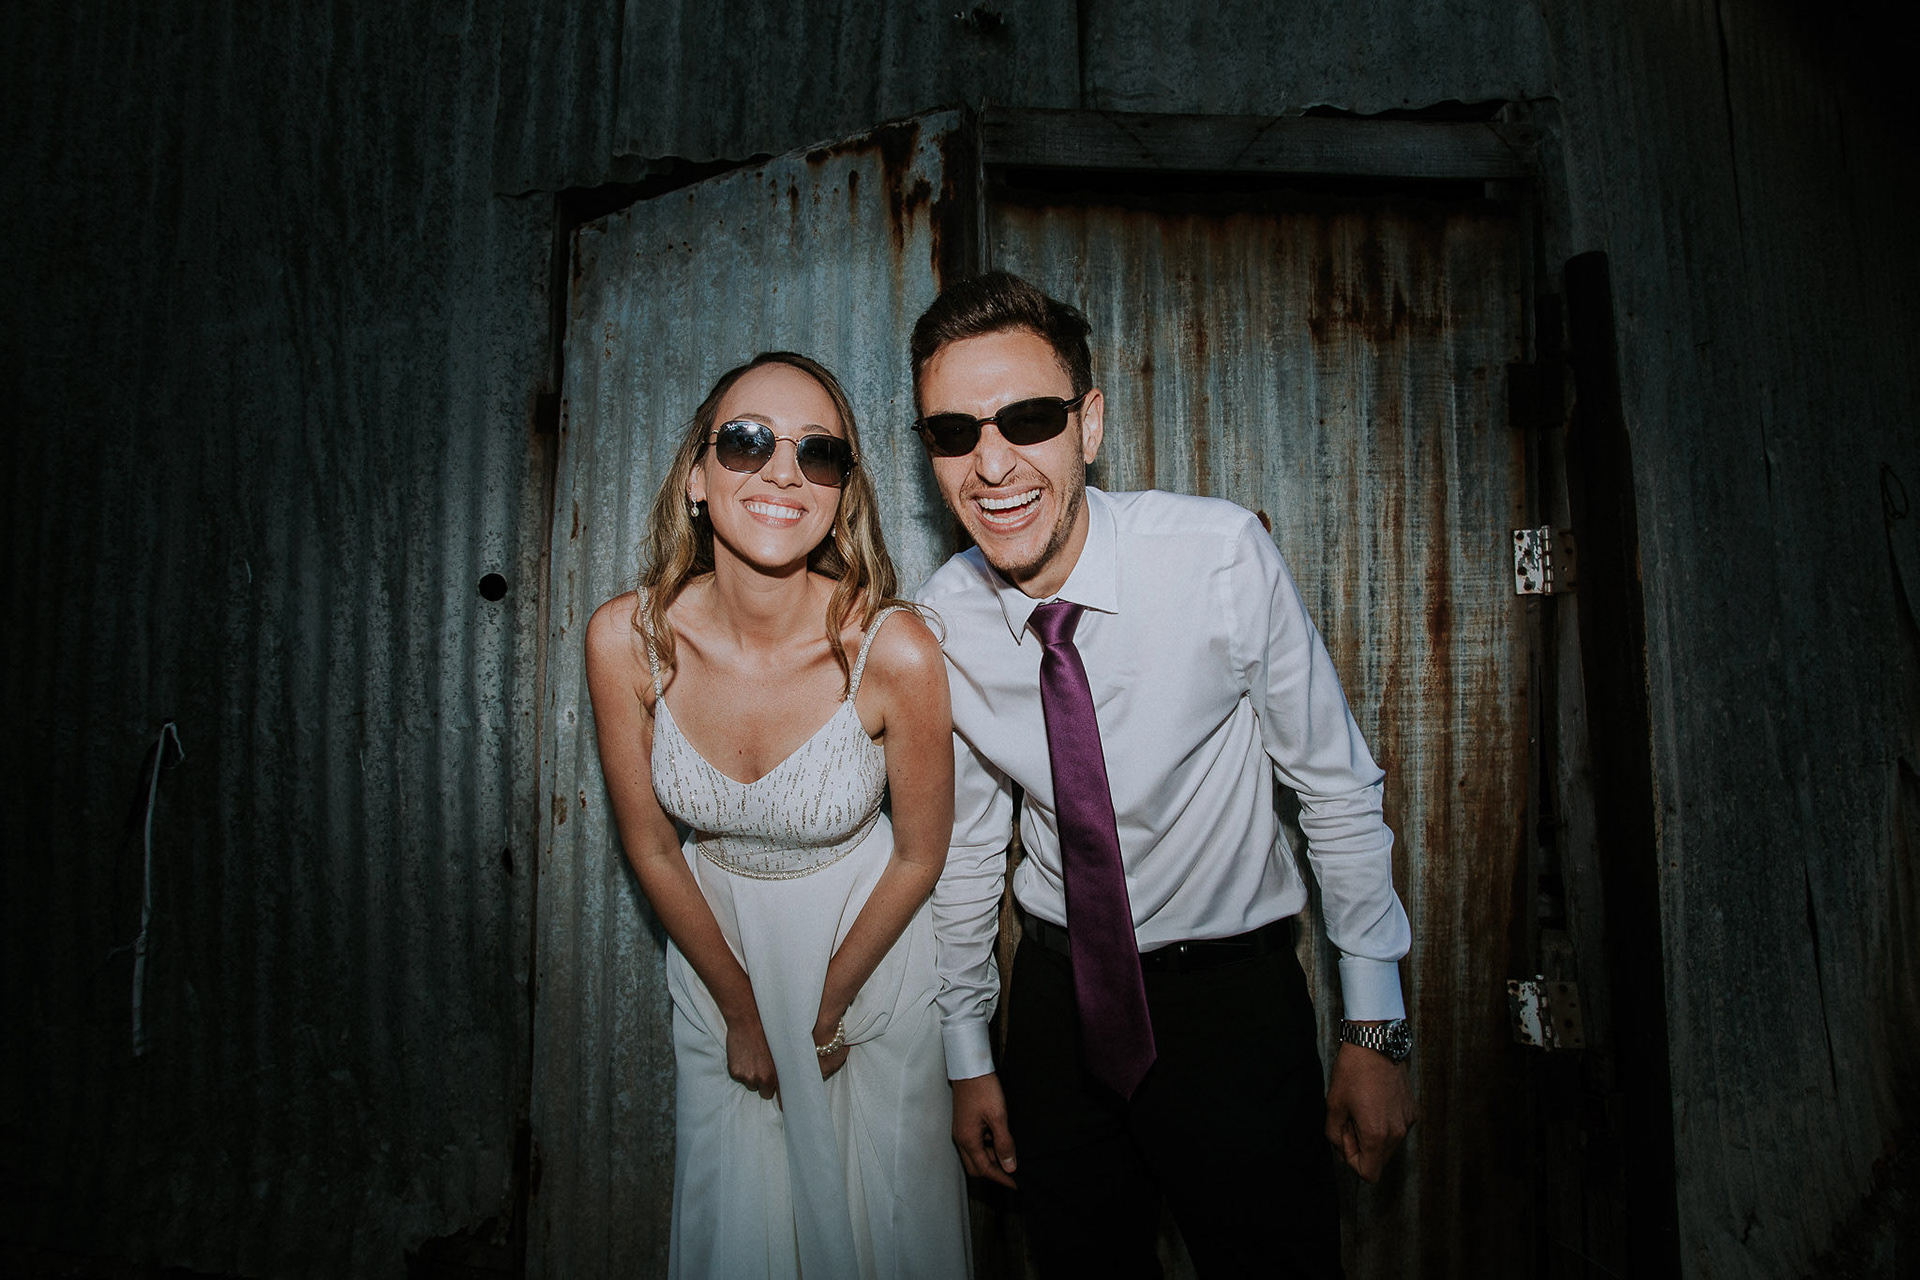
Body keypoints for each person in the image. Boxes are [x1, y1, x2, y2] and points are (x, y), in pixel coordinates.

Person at [912, 273, 1417, 1278]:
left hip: (1231, 1009)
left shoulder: (1218, 557)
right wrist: (968, 1053)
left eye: (1029, 418)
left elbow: (1333, 786)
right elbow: (966, 851)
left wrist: (1377, 1027)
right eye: (955, 432)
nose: (993, 463)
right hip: (1055, 1010)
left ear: (1089, 424)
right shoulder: (944, 619)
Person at [585, 351, 970, 1279]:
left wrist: (826, 1006)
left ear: (842, 493)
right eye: (748, 442)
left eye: (818, 453)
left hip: (868, 967)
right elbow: (653, 848)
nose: (784, 473)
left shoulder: (896, 651)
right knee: (739, 1234)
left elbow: (920, 855)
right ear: (696, 476)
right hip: (717, 965)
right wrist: (743, 1011)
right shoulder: (626, 640)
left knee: (883, 1234)